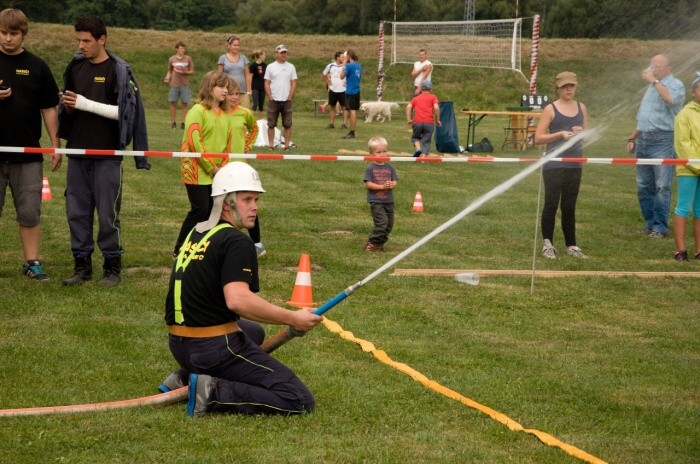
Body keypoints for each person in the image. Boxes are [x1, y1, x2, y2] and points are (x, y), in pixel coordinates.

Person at [164, 161, 323, 417]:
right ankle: (212, 391)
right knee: (299, 399)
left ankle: (184, 376)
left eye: (256, 199)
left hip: (180, 343)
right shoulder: (237, 242)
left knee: (253, 331)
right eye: (247, 199)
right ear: (227, 202)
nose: (255, 207)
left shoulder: (197, 232)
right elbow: (238, 301)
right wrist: (293, 317)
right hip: (212, 348)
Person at [58, 14, 150, 287]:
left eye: (86, 41)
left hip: (108, 155)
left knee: (108, 214)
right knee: (77, 212)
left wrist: (85, 103)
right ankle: (82, 265)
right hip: (77, 152)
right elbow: (71, 106)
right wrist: (69, 106)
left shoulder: (119, 70)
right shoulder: (75, 67)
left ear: (102, 39)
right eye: (78, 40)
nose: (81, 45)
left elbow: (127, 114)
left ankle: (112, 267)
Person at [0, 8, 61, 281]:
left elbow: (49, 107)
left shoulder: (37, 66)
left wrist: (55, 143)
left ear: (23, 34)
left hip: (28, 155)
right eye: (3, 33)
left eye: (13, 33)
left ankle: (32, 262)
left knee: (29, 211)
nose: (8, 39)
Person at [173, 71, 231, 259]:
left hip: (217, 171)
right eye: (221, 86)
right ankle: (180, 248)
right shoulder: (196, 111)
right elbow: (194, 141)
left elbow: (227, 145)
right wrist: (210, 167)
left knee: (214, 211)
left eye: (227, 87)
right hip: (196, 170)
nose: (226, 90)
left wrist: (222, 167)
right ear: (209, 88)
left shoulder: (225, 115)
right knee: (200, 209)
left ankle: (202, 248)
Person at [626, 54, 685, 238]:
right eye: (652, 65)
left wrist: (654, 81)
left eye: (657, 66)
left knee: (662, 186)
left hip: (663, 140)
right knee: (643, 185)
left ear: (669, 67)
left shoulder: (676, 85)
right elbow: (643, 116)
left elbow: (670, 100)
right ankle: (649, 222)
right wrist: (632, 137)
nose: (653, 69)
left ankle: (660, 227)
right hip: (644, 139)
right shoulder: (652, 87)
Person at [534, 71, 590, 259]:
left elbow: (588, 134)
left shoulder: (581, 107)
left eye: (572, 86)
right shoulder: (550, 109)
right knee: (551, 203)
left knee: (569, 205)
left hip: (574, 163)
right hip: (554, 163)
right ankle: (547, 243)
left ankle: (571, 245)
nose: (569, 89)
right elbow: (538, 138)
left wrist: (581, 132)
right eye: (565, 86)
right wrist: (560, 134)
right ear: (558, 88)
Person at [225, 77, 266, 257]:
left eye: (237, 94)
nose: (234, 98)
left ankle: (257, 244)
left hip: (241, 165)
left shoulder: (244, 112)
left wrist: (247, 145)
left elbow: (254, 129)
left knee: (248, 204)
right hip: (222, 166)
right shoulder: (216, 112)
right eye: (231, 94)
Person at [672, 71, 700, 261]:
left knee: (699, 210)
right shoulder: (684, 114)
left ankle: (699, 250)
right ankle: (681, 250)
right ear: (693, 92)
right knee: (683, 207)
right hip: (688, 169)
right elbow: (683, 144)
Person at [363, 137, 398, 252]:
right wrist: (382, 187)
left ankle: (379, 243)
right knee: (382, 223)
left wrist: (392, 184)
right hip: (376, 201)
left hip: (389, 200)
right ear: (371, 154)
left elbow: (395, 181)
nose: (382, 154)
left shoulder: (390, 168)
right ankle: (372, 242)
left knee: (389, 225)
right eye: (378, 152)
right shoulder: (370, 168)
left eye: (384, 151)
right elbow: (368, 184)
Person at [264, 44, 297, 150]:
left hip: (286, 100)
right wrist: (270, 96)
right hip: (274, 99)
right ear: (276, 53)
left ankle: (286, 146)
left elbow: (294, 83)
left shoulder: (291, 67)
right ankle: (271, 145)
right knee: (271, 124)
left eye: (285, 52)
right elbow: (267, 82)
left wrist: (290, 97)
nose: (283, 55)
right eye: (281, 52)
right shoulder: (270, 67)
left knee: (287, 124)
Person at [406, 80, 441, 157]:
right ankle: (424, 156)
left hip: (417, 122)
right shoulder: (433, 97)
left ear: (421, 89)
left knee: (416, 137)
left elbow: (408, 107)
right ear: (431, 89)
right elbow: (436, 107)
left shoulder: (416, 98)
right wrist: (437, 120)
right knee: (426, 140)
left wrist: (409, 119)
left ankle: (418, 149)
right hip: (429, 122)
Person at [164, 41, 194, 130]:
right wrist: (167, 77)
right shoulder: (172, 59)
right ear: (177, 49)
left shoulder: (188, 59)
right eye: (181, 48)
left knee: (185, 103)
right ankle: (173, 122)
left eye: (184, 48)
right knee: (173, 103)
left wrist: (185, 72)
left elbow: (192, 71)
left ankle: (183, 122)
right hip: (174, 84)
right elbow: (169, 70)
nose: (183, 50)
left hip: (185, 84)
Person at [217, 35, 251, 108]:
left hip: (242, 91)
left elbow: (247, 75)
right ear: (229, 46)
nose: (236, 47)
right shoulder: (222, 58)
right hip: (228, 91)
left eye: (238, 45)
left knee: (243, 112)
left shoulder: (243, 58)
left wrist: (249, 90)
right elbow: (219, 76)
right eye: (234, 45)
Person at [319, 51, 348, 129]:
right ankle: (331, 123)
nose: (344, 58)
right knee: (332, 106)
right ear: (337, 58)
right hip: (333, 89)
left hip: (343, 90)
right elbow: (324, 73)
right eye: (342, 57)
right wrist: (328, 81)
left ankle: (344, 124)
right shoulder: (330, 65)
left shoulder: (345, 66)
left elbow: (349, 75)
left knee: (344, 107)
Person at [340, 49, 362, 140]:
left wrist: (344, 64)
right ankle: (352, 131)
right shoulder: (358, 65)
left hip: (350, 91)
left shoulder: (349, 65)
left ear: (348, 56)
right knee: (352, 111)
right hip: (356, 90)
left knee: (351, 111)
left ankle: (352, 132)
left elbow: (341, 76)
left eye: (345, 57)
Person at [248, 50, 267, 120]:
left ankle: (260, 122)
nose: (265, 56)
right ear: (260, 55)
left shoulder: (265, 65)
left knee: (261, 105)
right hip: (255, 88)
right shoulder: (253, 66)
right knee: (255, 103)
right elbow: (250, 77)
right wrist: (249, 89)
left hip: (263, 88)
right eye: (264, 55)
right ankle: (250, 120)